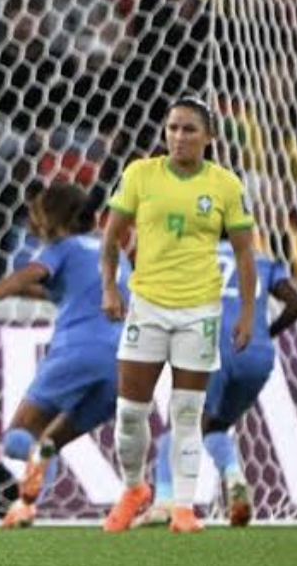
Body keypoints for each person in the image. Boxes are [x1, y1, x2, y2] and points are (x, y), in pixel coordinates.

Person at [101, 96, 256, 534]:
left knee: (187, 412)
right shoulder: (140, 175)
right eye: (172, 128)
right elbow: (111, 237)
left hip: (200, 310)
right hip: (146, 305)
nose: (179, 137)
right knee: (130, 413)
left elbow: (245, 254)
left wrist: (246, 312)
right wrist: (110, 287)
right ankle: (134, 489)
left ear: (208, 137)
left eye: (189, 129)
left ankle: (184, 508)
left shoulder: (225, 185)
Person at [0, 182, 129, 528]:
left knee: (19, 437)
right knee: (48, 444)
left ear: (54, 216)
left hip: (76, 350)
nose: (33, 218)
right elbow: (70, 292)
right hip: (121, 363)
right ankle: (27, 506)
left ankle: (28, 502)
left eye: (39, 210)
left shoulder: (62, 248)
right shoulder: (111, 249)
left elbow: (30, 275)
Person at [140, 235, 297, 527]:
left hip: (208, 345)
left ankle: (164, 501)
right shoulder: (262, 260)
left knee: (180, 424)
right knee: (216, 426)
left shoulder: (191, 256)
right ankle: (233, 477)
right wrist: (266, 333)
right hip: (255, 354)